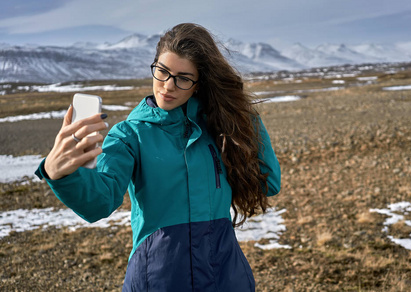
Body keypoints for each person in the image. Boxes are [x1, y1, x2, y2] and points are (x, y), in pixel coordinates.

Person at [35, 23, 281, 291]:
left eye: (183, 78)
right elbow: (99, 203)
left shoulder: (220, 127)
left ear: (199, 84)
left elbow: (267, 183)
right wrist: (60, 173)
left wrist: (244, 118)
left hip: (226, 278)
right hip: (158, 280)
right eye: (162, 72)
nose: (167, 86)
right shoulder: (129, 135)